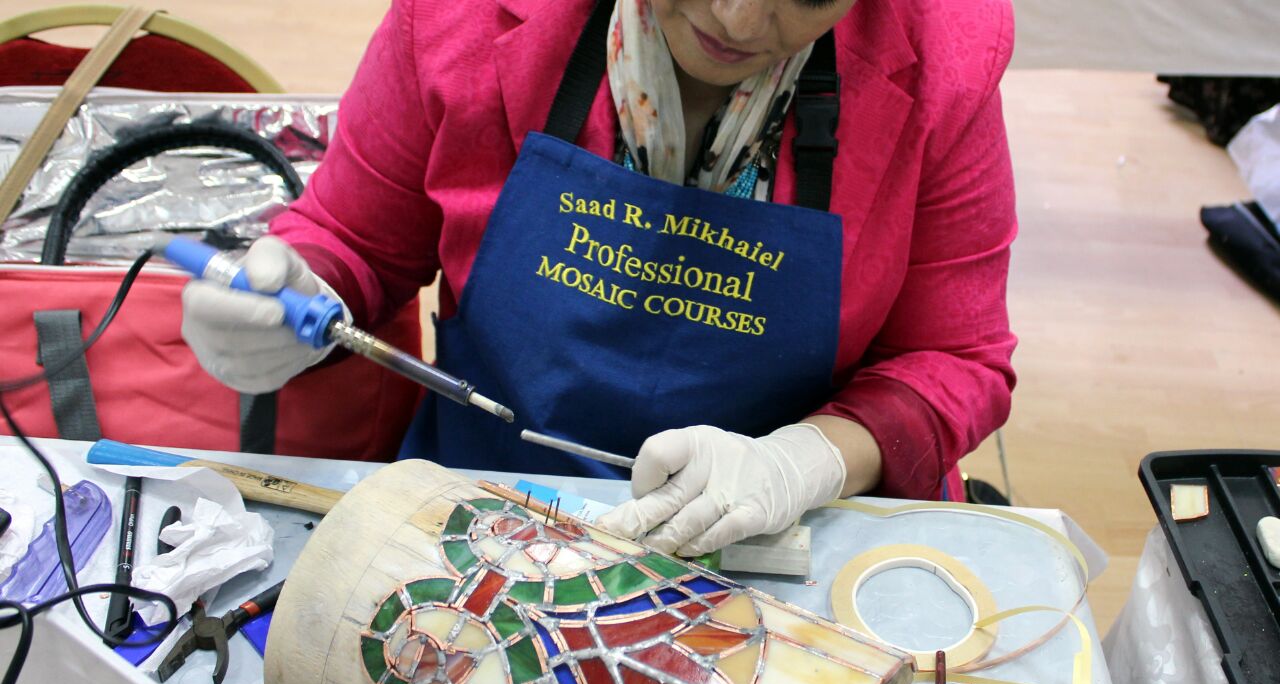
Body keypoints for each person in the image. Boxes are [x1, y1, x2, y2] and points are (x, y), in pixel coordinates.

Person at [181, 0, 1017, 558]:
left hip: (776, 545)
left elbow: (954, 357)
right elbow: (354, 239)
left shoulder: (942, 49)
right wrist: (296, 295)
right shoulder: (464, 17)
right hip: (486, 513)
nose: (736, 17)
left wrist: (808, 461)